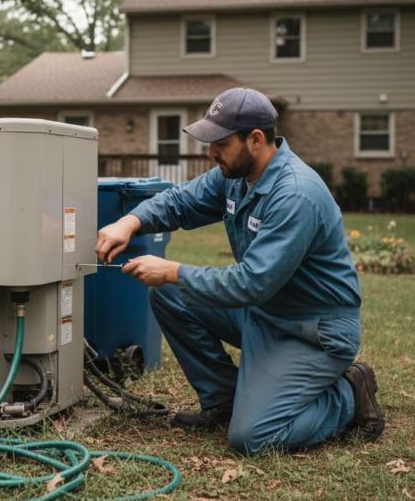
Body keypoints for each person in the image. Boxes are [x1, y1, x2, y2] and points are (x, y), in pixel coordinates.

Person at [95, 87, 384, 455]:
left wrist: (172, 270)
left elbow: (252, 283)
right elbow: (182, 201)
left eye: (220, 142)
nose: (210, 152)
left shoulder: (295, 193)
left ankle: (348, 394)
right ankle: (224, 400)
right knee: (169, 294)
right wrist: (132, 220)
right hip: (265, 312)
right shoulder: (235, 174)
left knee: (253, 437)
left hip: (311, 331)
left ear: (256, 139)